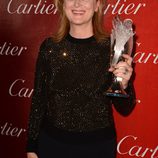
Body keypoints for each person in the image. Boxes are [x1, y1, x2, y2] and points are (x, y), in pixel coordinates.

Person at [26, 0, 136, 157]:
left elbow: (125, 109)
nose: (77, 4)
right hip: (51, 145)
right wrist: (31, 146)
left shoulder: (113, 48)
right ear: (62, 4)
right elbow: (39, 99)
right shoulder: (49, 47)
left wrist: (124, 84)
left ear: (97, 5)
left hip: (98, 148)